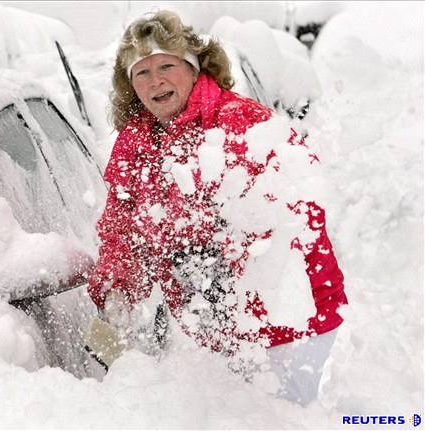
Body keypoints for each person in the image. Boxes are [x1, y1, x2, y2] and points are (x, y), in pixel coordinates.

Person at [86, 10, 347, 405]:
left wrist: (221, 259)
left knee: (282, 419)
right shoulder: (135, 143)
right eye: (141, 72)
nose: (155, 80)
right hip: (216, 329)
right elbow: (122, 227)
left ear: (194, 69)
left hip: (289, 324)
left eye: (166, 65)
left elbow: (300, 210)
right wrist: (116, 292)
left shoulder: (241, 123)